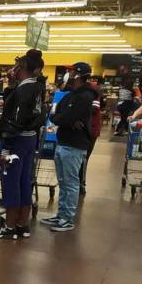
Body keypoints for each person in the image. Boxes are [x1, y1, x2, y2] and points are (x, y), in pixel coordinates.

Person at [0, 50, 46, 240]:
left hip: (17, 140)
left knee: (11, 182)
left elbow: (15, 119)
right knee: (24, 182)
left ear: (20, 69)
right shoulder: (37, 88)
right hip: (30, 139)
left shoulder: (23, 90)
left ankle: (10, 227)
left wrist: (6, 148)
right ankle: (23, 226)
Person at [41, 62, 94, 233]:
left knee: (71, 183)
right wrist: (65, 119)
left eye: (71, 71)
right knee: (63, 182)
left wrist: (64, 118)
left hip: (75, 145)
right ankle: (61, 214)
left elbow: (65, 116)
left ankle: (67, 219)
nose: (67, 73)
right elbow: (54, 114)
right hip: (63, 142)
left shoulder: (85, 96)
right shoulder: (70, 94)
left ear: (78, 75)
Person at [80, 77, 103, 195]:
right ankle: (79, 182)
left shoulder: (92, 89)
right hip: (82, 129)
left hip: (90, 130)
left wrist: (76, 108)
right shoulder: (78, 88)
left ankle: (81, 183)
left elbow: (95, 108)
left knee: (84, 158)